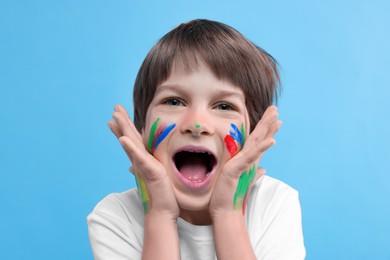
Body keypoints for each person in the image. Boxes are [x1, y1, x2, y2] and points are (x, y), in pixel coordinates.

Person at [87, 19, 305, 259]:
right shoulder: (116, 216)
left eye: (224, 105)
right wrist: (159, 213)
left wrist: (227, 213)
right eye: (174, 101)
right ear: (142, 130)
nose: (197, 124)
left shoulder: (273, 203)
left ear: (255, 135)